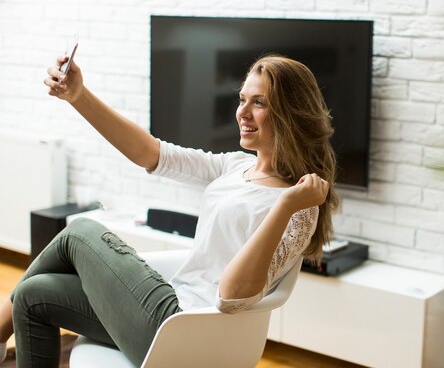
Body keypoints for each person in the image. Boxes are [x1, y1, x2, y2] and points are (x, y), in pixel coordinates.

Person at [0, 52, 339, 368]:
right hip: (166, 304)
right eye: (242, 99)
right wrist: (79, 96)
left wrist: (284, 205)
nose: (242, 113)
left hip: (182, 326)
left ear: (289, 113)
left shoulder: (298, 206)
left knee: (81, 232)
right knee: (32, 295)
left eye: (259, 103)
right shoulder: (236, 166)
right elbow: (151, 153)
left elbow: (231, 298)